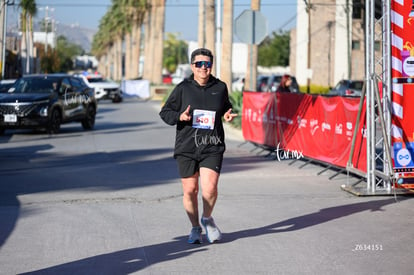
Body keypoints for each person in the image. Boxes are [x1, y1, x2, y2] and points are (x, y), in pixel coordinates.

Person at [159, 48, 237, 244]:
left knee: (210, 189)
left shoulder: (220, 87)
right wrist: (180, 116)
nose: (204, 68)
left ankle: (207, 218)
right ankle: (195, 228)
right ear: (192, 66)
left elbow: (225, 106)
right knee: (190, 191)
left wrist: (227, 113)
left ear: (212, 65)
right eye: (199, 64)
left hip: (212, 145)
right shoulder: (183, 88)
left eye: (207, 64)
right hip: (187, 147)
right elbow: (165, 112)